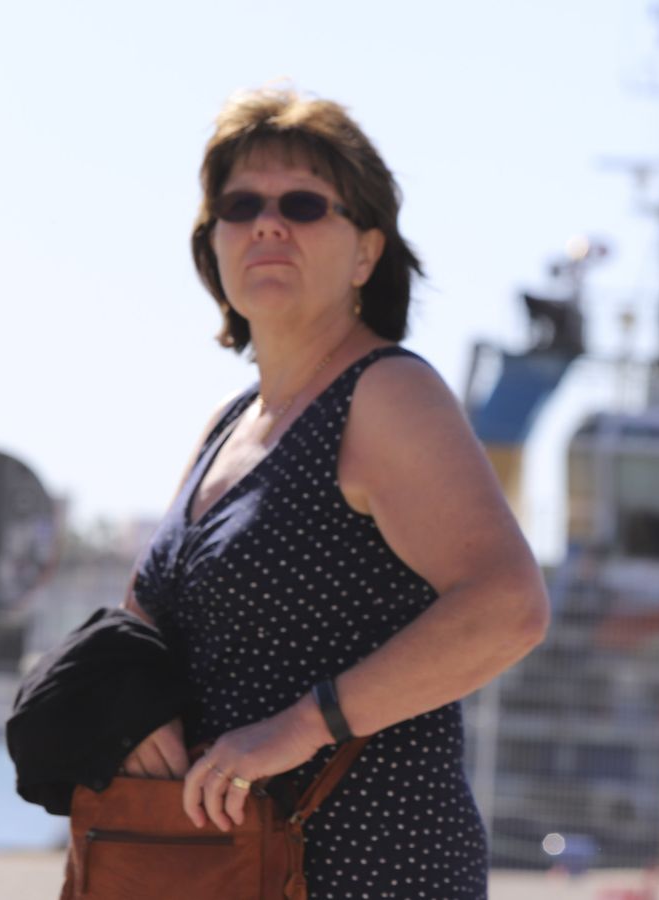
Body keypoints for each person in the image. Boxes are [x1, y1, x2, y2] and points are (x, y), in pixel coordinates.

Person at [116, 88, 549, 898]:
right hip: (221, 868)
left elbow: (509, 606)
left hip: (365, 867)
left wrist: (301, 727)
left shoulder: (387, 396)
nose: (267, 224)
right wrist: (132, 705)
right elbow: (145, 620)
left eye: (304, 205)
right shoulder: (227, 425)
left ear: (365, 253)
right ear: (212, 244)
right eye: (240, 205)